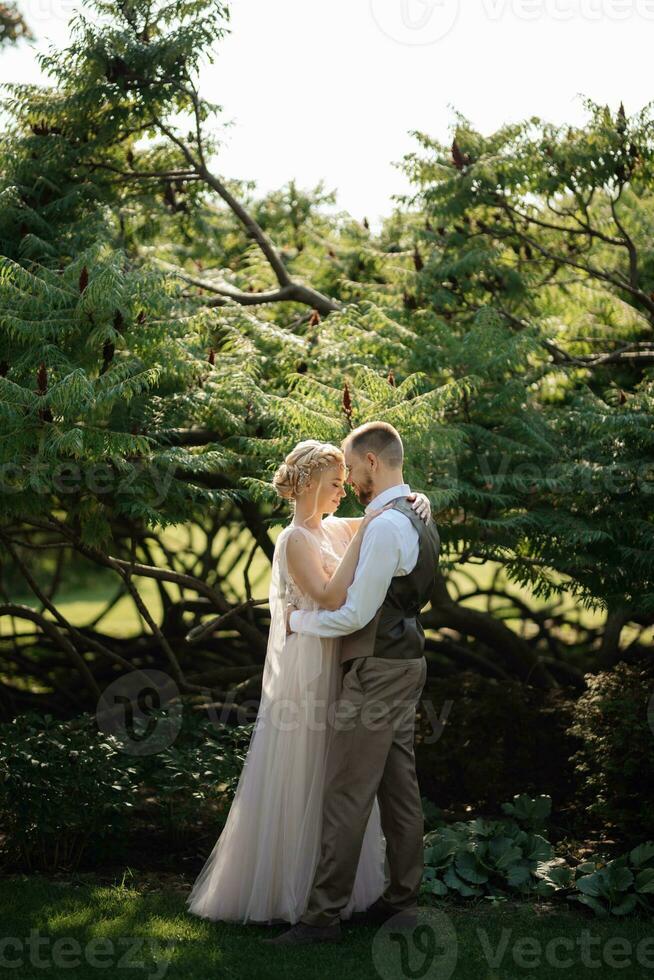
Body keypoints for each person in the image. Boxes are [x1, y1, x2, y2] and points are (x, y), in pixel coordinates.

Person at [185, 438, 432, 925]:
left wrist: (420, 497)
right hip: (311, 665)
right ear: (312, 485)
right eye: (335, 484)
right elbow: (329, 593)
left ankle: (334, 902)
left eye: (345, 482)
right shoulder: (296, 538)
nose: (343, 492)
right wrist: (367, 534)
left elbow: (392, 509)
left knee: (345, 779)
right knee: (309, 772)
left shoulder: (335, 527)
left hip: (346, 658)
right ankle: (288, 890)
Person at [267, 421, 441, 945]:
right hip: (407, 660)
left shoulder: (387, 524)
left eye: (350, 469)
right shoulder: (411, 514)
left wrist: (297, 623)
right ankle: (401, 903)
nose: (347, 483)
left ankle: (321, 918)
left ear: (371, 462)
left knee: (346, 791)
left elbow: (351, 615)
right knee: (398, 785)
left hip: (376, 666)